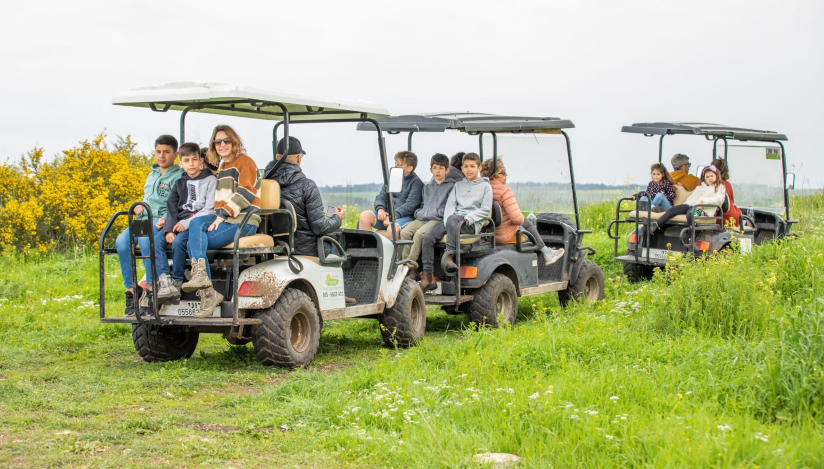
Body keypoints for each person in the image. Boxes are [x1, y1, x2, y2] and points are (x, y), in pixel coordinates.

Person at [265, 136, 357, 305]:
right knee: (336, 240)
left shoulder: (265, 183)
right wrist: (337, 218)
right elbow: (320, 227)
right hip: (304, 247)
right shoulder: (307, 185)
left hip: (277, 244)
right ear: (299, 158)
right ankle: (338, 292)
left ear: (277, 157)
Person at [182, 125, 260, 317]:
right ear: (213, 145)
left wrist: (222, 215)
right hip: (225, 219)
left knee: (196, 244)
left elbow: (247, 192)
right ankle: (207, 290)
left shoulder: (245, 162)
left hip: (243, 221)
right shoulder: (223, 167)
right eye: (218, 142)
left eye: (226, 141)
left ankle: (206, 290)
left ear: (234, 142)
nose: (222, 145)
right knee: (194, 227)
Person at [115, 134, 183, 315]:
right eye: (158, 152)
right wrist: (139, 205)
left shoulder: (179, 176)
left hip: (160, 220)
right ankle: (132, 291)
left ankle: (153, 290)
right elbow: (149, 198)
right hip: (143, 218)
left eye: (166, 152)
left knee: (146, 242)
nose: (162, 156)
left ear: (175, 154)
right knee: (121, 243)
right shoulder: (151, 174)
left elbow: (178, 202)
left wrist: (169, 219)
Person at [153, 143, 217, 305]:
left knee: (179, 243)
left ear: (201, 161)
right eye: (186, 160)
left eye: (194, 160)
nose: (191, 164)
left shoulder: (209, 180)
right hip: (177, 223)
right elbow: (172, 208)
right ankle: (164, 281)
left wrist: (186, 224)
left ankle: (177, 279)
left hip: (195, 222)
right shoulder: (180, 183)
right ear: (180, 164)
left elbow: (209, 209)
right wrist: (169, 230)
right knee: (157, 241)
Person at [420, 153, 492, 287]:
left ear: (479, 168)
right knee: (427, 237)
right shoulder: (458, 185)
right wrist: (447, 222)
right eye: (466, 166)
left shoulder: (485, 187)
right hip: (453, 221)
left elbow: (485, 209)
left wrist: (469, 218)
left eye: (472, 166)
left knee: (454, 219)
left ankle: (449, 255)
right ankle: (427, 276)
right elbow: (450, 205)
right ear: (462, 169)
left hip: (470, 223)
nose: (469, 169)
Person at [481, 157, 565, 266]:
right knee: (526, 223)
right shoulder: (505, 191)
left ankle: (546, 252)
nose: (507, 175)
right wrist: (521, 218)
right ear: (495, 175)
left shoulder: (482, 190)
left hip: (490, 235)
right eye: (503, 172)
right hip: (506, 236)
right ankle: (546, 252)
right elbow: (516, 218)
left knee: (524, 222)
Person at [399, 154, 456, 282]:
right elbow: (423, 205)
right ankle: (406, 265)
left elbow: (449, 207)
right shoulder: (427, 187)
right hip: (422, 217)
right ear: (431, 170)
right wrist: (419, 212)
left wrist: (435, 212)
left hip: (437, 219)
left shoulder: (451, 186)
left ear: (447, 170)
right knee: (405, 232)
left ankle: (410, 266)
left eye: (441, 168)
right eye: (435, 168)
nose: (437, 171)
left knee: (419, 234)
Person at [358, 151, 423, 239]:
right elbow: (381, 196)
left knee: (392, 228)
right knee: (365, 216)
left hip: (405, 216)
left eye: (399, 165)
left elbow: (411, 204)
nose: (395, 167)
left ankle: (395, 252)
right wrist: (380, 209)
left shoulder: (416, 183)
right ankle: (367, 248)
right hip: (388, 215)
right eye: (395, 164)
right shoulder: (392, 180)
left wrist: (393, 216)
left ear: (409, 168)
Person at [649, 165, 726, 234]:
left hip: (704, 209)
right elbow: (691, 198)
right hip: (692, 205)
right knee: (672, 210)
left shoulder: (719, 188)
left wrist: (704, 202)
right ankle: (656, 225)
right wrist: (686, 205)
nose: (710, 178)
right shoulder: (700, 187)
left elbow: (719, 199)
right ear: (704, 178)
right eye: (707, 177)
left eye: (711, 176)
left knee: (690, 214)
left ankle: (691, 234)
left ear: (716, 176)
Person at [712, 158, 742, 228]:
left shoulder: (710, 184)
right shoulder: (727, 184)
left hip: (724, 218)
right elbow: (732, 201)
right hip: (734, 216)